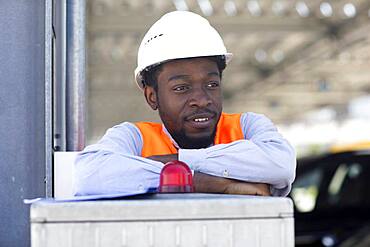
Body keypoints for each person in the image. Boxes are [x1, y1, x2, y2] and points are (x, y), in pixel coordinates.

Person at [74, 11, 296, 197]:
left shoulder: (246, 126)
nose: (201, 100)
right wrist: (211, 184)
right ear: (152, 96)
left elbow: (281, 164)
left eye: (211, 84)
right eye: (182, 88)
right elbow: (89, 175)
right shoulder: (135, 138)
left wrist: (179, 161)